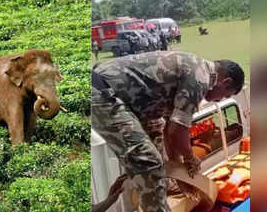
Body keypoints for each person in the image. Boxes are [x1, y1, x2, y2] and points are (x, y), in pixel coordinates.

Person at [92, 51, 245, 212]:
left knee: (155, 151)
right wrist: (190, 158)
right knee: (148, 162)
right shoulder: (200, 78)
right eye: (225, 95)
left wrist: (180, 172)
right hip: (104, 94)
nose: (219, 100)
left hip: (120, 98)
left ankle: (108, 206)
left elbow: (169, 131)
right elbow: (177, 131)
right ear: (225, 82)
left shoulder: (198, 70)